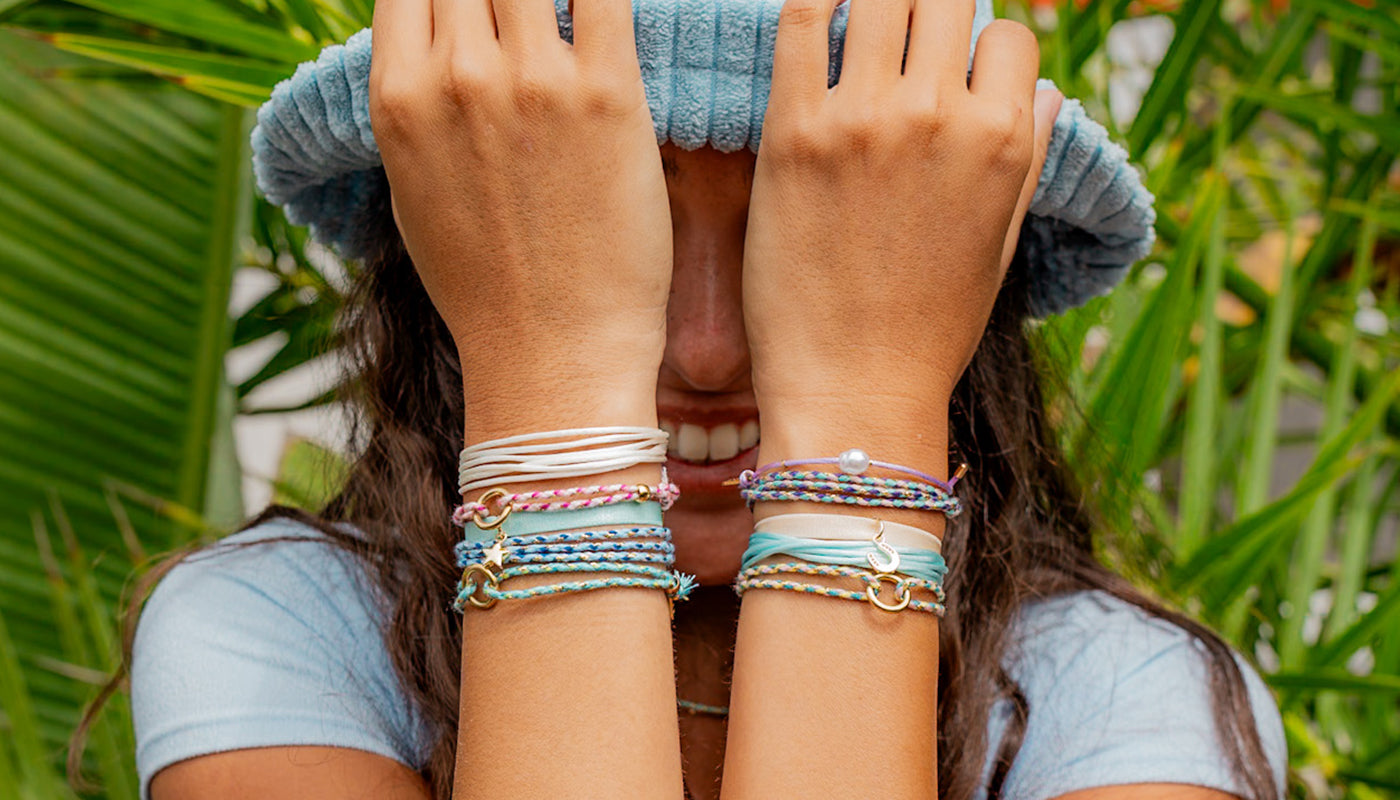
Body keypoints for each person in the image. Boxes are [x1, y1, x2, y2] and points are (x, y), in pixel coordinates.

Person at [81, 0, 1287, 797]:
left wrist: (862, 394)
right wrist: (552, 366)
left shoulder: (1114, 692)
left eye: (788, 235)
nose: (706, 349)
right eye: (621, 230)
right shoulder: (285, 630)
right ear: (467, 244)